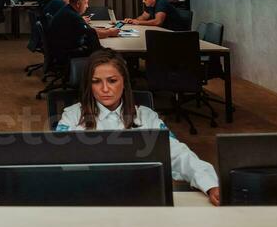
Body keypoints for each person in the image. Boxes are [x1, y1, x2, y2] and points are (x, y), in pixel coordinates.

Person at [55, 49, 220, 205]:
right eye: (96, 82)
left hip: (139, 197)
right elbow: (58, 159)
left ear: (124, 82)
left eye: (112, 81)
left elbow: (177, 153)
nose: (105, 89)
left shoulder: (146, 117)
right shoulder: (71, 117)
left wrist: (210, 184)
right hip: (89, 196)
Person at [46, 0, 120, 61]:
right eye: (86, 3)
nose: (87, 6)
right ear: (78, 4)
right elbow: (92, 33)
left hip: (59, 50)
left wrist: (107, 31)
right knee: (104, 53)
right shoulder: (73, 16)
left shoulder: (67, 10)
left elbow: (90, 30)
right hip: (66, 53)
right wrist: (109, 32)